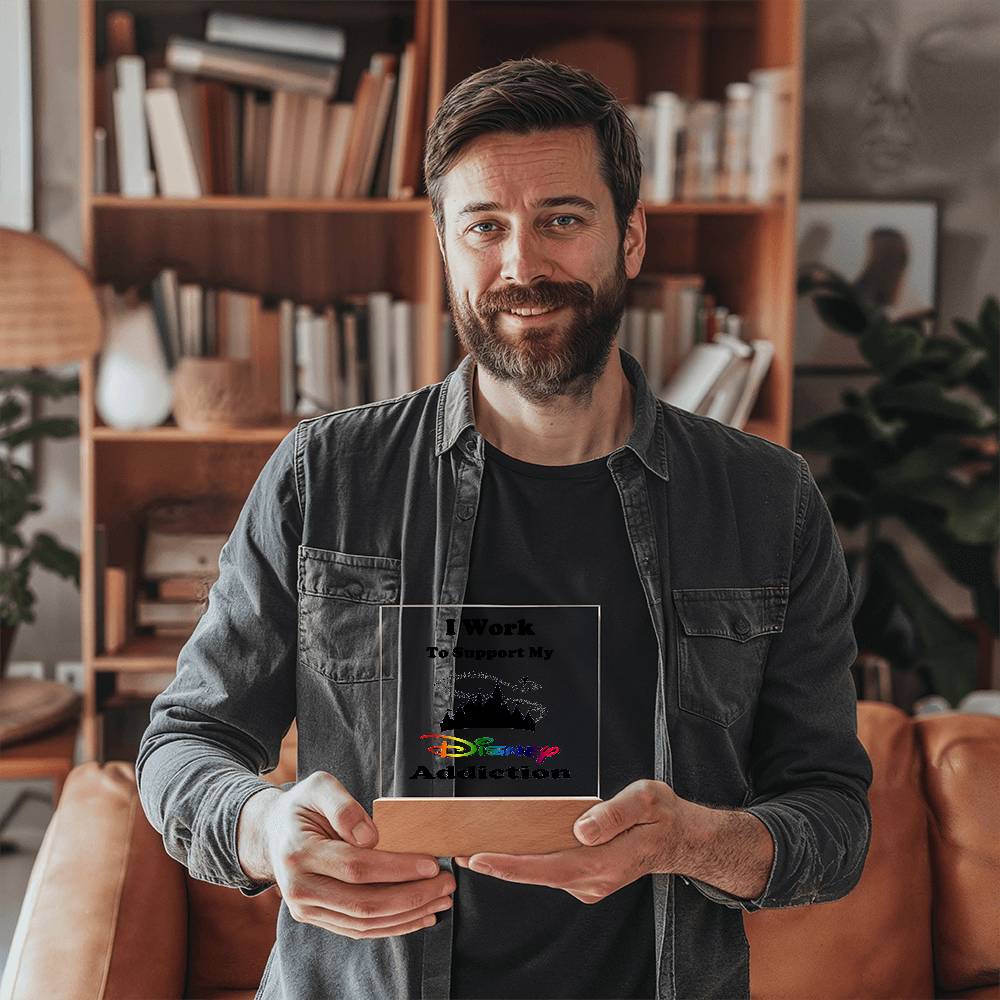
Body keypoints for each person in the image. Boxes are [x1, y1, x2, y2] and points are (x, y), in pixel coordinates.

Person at [136, 58, 873, 1000]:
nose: (523, 266)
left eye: (562, 220)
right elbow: (186, 743)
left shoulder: (767, 500)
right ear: (445, 244)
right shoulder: (325, 477)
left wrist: (695, 839)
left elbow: (834, 821)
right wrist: (263, 828)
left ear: (630, 237)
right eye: (485, 227)